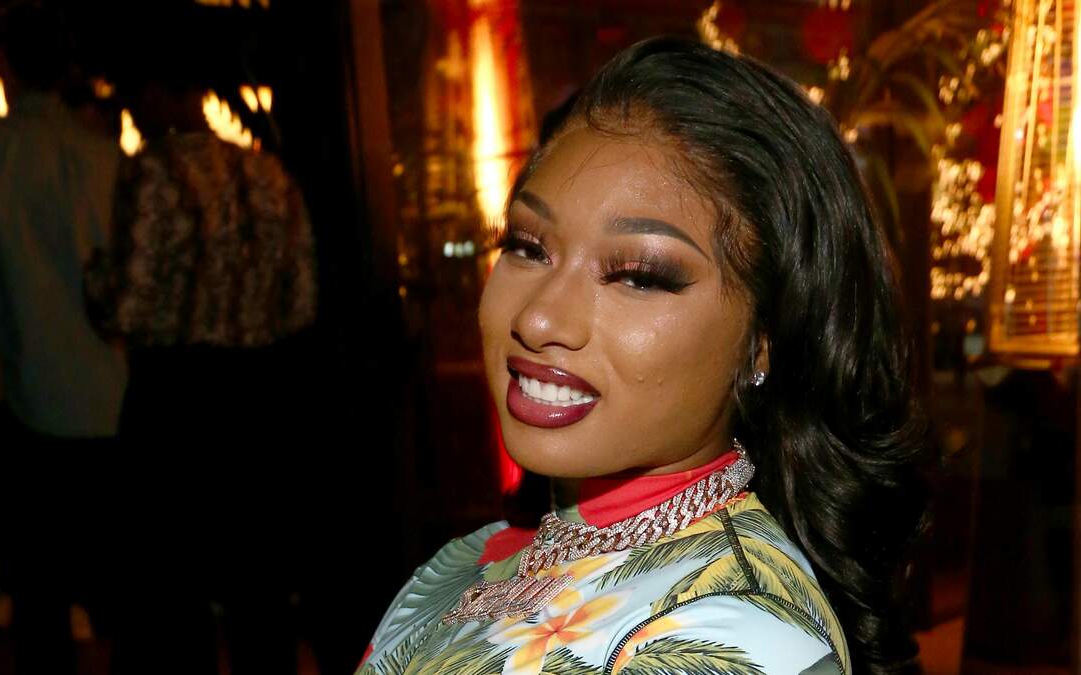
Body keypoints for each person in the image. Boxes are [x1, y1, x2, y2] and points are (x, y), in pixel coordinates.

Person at [357, 37, 926, 675]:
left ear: (765, 339)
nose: (538, 318)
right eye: (527, 247)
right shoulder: (469, 558)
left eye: (637, 275)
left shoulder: (736, 634)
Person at [84, 75, 317, 675]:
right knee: (258, 585)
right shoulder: (268, 173)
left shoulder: (153, 172)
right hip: (258, 391)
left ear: (160, 92)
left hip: (176, 394)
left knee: (171, 587)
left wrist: (93, 279)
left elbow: (127, 307)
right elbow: (301, 303)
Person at [0, 5, 125, 673]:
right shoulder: (104, 154)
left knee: (41, 606)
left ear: (3, 63)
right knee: (127, 600)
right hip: (115, 401)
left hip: (29, 401)